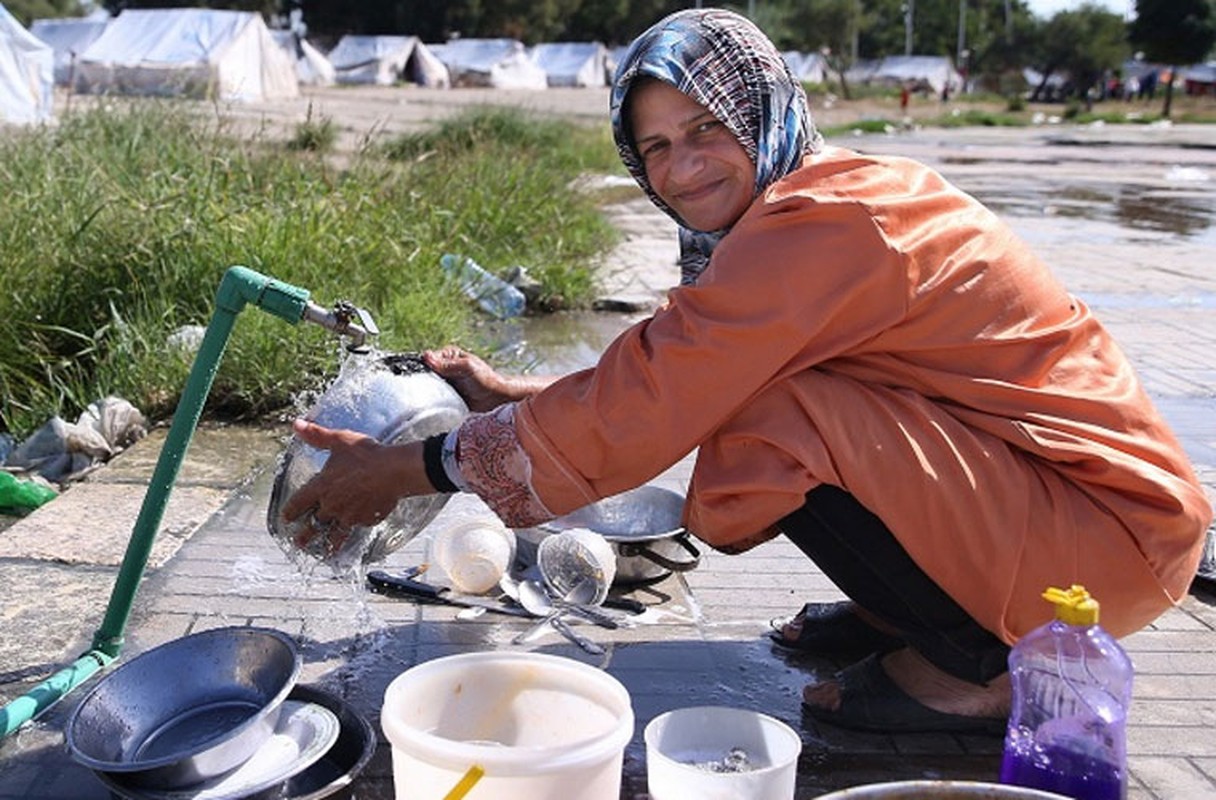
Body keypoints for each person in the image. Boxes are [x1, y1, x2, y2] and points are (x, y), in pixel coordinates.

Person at [282, 8, 1212, 735]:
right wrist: (521, 402)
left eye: (704, 129)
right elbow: (685, 362)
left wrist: (411, 467)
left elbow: (674, 387)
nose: (682, 170)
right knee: (759, 399)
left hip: (1099, 545)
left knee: (776, 422)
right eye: (654, 148)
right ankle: (919, 613)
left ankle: (978, 668)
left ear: (758, 108)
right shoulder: (808, 199)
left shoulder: (823, 224)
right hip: (1070, 512)